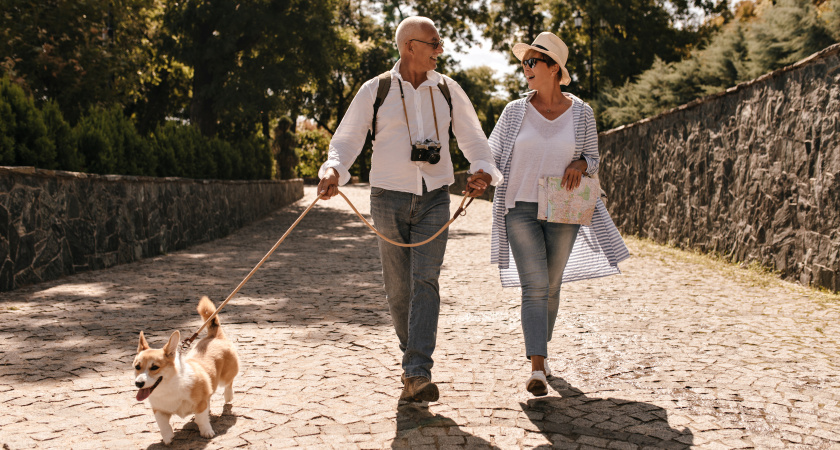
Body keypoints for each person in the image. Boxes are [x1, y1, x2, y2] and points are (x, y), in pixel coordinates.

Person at [317, 16, 503, 403]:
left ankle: (418, 370)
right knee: (399, 289)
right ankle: (411, 363)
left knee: (426, 281)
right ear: (410, 47)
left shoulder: (449, 89)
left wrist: (482, 171)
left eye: (439, 42)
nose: (440, 49)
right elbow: (348, 137)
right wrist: (334, 169)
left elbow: (473, 137)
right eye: (433, 43)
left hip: (436, 195)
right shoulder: (377, 89)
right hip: (388, 196)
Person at [488, 32, 630, 396]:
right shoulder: (513, 111)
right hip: (519, 206)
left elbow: (595, 159)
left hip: (564, 207)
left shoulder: (582, 112)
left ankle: (541, 349)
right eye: (524, 62)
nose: (526, 68)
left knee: (551, 286)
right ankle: (537, 367)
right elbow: (490, 154)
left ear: (555, 68)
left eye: (533, 62)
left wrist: (582, 162)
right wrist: (477, 176)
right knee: (534, 286)